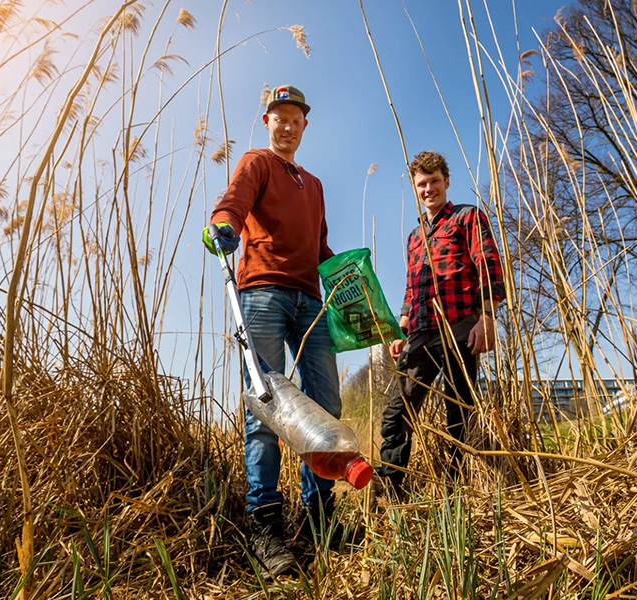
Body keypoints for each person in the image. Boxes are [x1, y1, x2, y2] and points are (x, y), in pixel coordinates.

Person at [203, 85, 340, 578]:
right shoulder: (256, 162)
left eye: (294, 118)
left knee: (325, 408)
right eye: (277, 117)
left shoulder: (316, 185)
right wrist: (223, 224)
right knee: (266, 408)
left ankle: (321, 519)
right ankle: (266, 527)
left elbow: (320, 247)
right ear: (267, 123)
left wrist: (346, 277)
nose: (286, 125)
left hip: (311, 301)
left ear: (305, 125)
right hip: (262, 293)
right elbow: (234, 203)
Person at [374, 151, 505, 498]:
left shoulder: (468, 217)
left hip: (459, 325)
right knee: (396, 412)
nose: (428, 188)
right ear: (415, 189)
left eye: (434, 181)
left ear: (446, 182)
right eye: (422, 184)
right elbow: (411, 285)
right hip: (419, 331)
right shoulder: (415, 236)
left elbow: (488, 263)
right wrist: (401, 328)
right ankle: (391, 491)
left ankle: (455, 492)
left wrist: (487, 317)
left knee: (457, 411)